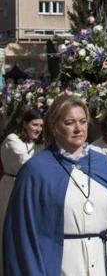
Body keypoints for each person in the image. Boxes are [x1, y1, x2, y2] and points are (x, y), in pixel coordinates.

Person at [3, 95, 107, 275]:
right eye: (69, 122)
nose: (78, 128)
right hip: (60, 265)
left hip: (103, 264)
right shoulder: (36, 171)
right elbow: (22, 235)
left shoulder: (102, 164)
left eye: (83, 121)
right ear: (54, 127)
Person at [0, 109, 44, 274]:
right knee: (12, 231)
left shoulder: (41, 143)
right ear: (25, 124)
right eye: (34, 124)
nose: (38, 129)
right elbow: (27, 164)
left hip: (32, 190)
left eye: (41, 125)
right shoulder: (13, 139)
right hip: (13, 188)